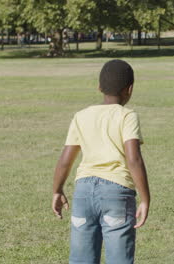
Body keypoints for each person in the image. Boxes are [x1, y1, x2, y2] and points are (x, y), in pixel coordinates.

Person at [52, 59, 150, 263]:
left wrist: (57, 190)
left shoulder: (81, 116)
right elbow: (134, 159)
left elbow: (64, 161)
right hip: (117, 193)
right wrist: (145, 198)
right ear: (129, 89)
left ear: (99, 87)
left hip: (83, 192)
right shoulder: (127, 116)